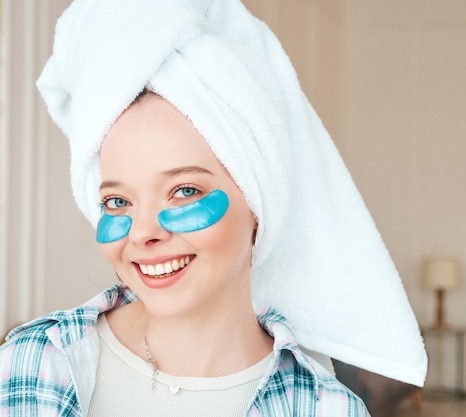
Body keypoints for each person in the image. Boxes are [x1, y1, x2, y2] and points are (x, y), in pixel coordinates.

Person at [0, 0, 427, 416]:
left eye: (184, 191)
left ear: (257, 204)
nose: (142, 232)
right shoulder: (29, 365)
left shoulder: (327, 409)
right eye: (117, 201)